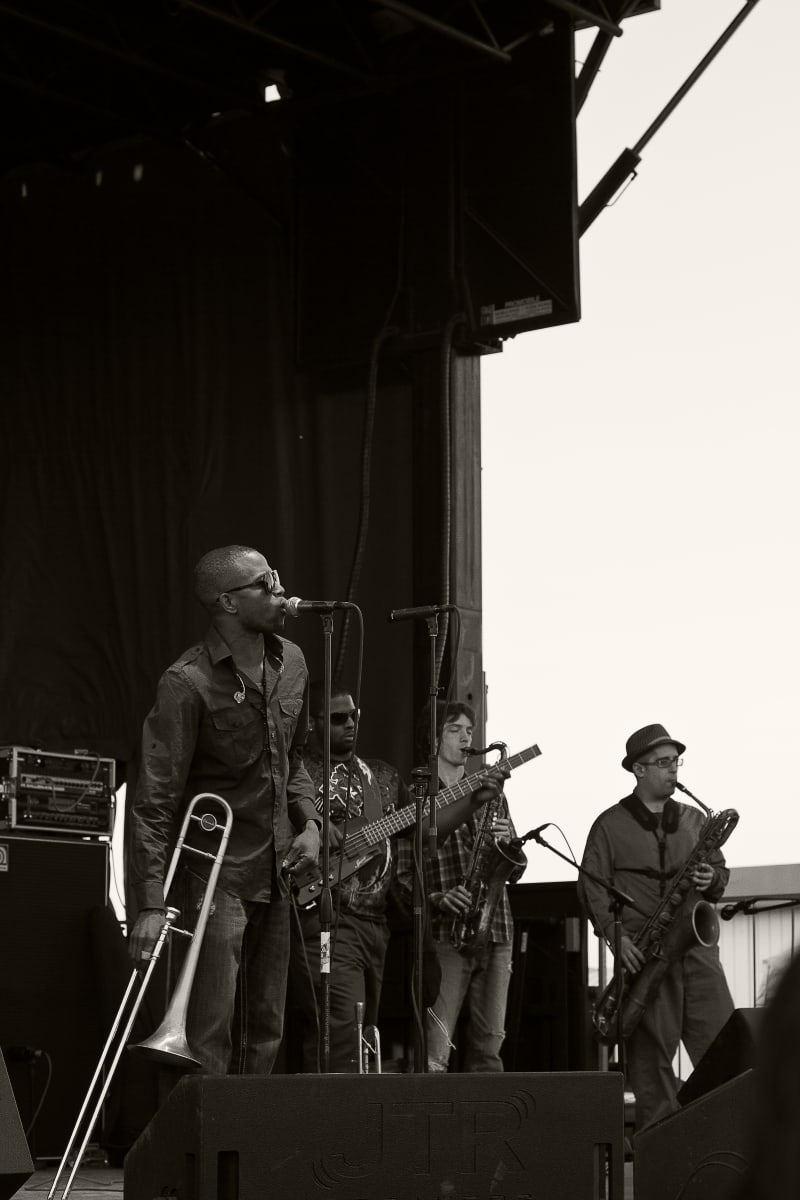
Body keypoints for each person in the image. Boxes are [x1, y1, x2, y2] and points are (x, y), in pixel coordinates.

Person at [127, 544, 321, 1075]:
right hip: (217, 876)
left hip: (278, 870)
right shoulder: (186, 682)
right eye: (266, 582)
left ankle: (250, 1152)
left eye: (276, 577)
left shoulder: (294, 661)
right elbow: (154, 798)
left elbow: (295, 756)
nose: (280, 590)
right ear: (229, 603)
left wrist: (311, 823)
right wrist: (147, 903)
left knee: (266, 1030)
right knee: (207, 1034)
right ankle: (201, 1154)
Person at [288, 683, 493, 1072]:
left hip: (376, 924)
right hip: (325, 916)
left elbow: (422, 830)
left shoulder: (380, 775)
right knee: (341, 1030)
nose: (350, 723)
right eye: (337, 718)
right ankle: (334, 1121)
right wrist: (316, 827)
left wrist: (472, 801)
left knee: (365, 1034)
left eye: (354, 715)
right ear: (312, 725)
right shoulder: (299, 773)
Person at [578, 723, 734, 1133]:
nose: (673, 770)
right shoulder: (609, 825)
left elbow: (719, 873)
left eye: (675, 761)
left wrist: (710, 880)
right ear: (638, 770)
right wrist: (618, 939)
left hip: (697, 953)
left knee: (728, 1056)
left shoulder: (694, 820)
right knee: (652, 1075)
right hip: (646, 959)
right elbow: (591, 887)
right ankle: (659, 1167)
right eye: (663, 763)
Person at [396, 699, 520, 1073]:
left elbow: (515, 870)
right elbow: (402, 874)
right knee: (436, 1052)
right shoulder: (416, 793)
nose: (467, 737)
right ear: (433, 740)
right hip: (447, 932)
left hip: (496, 927)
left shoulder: (492, 791)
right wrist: (438, 898)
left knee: (490, 1048)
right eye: (455, 730)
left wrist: (507, 843)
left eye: (470, 730)